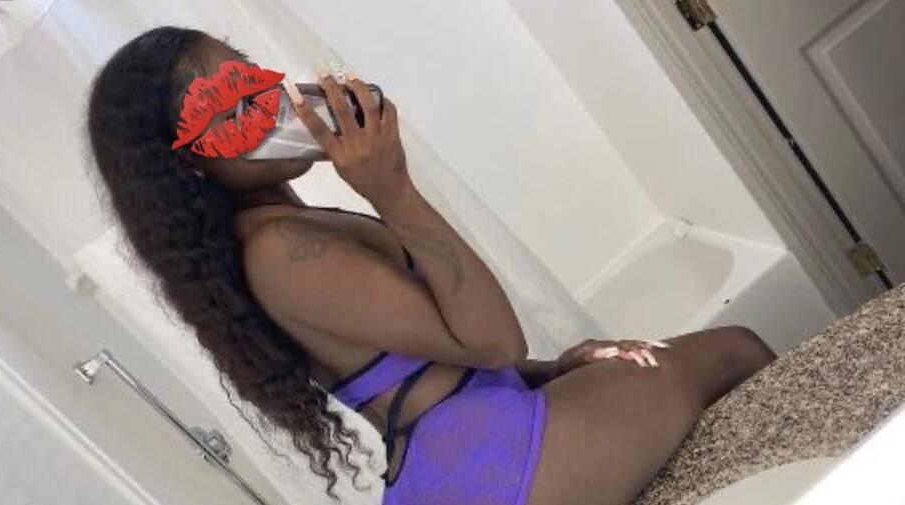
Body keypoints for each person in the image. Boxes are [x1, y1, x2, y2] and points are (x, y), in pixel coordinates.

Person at [85, 26, 777, 505]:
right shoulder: (280, 252)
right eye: (236, 108)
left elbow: (429, 360)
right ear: (188, 163)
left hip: (478, 443)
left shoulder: (278, 232)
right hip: (492, 469)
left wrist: (553, 369)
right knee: (737, 350)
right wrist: (390, 187)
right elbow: (493, 342)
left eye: (258, 81)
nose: (273, 107)